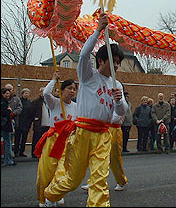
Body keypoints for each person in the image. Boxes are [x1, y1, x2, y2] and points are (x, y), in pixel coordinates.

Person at [43, 12, 127, 207]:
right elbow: (83, 54)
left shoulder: (118, 85)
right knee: (74, 179)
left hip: (103, 136)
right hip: (82, 133)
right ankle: (51, 195)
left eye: (118, 63)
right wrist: (98, 30)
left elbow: (120, 113)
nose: (116, 65)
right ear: (101, 61)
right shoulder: (88, 76)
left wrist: (119, 100)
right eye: (113, 61)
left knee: (99, 180)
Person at [35, 72, 77, 207]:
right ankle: (44, 197)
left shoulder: (76, 107)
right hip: (53, 140)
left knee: (62, 170)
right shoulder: (54, 103)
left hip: (67, 142)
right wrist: (53, 80)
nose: (72, 91)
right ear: (61, 90)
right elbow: (47, 93)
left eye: (74, 89)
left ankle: (55, 194)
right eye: (69, 88)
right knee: (46, 170)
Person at [81, 110, 129, 192]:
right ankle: (94, 182)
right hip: (103, 129)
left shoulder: (119, 101)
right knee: (98, 156)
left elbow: (115, 117)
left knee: (114, 158)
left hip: (114, 130)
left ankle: (121, 181)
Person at [31, 87, 50, 159]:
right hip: (39, 124)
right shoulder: (36, 102)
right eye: (42, 92)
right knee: (37, 139)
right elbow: (31, 112)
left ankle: (44, 152)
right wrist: (35, 118)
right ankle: (34, 153)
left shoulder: (49, 101)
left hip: (47, 124)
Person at [14, 88, 33, 157]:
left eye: (28, 93)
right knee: (17, 137)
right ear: (22, 94)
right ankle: (16, 151)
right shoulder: (19, 101)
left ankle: (22, 151)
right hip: (19, 122)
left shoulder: (29, 102)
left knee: (24, 138)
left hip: (26, 123)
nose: (26, 95)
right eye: (25, 93)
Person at [1, 88, 17, 166]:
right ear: (3, 94)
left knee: (7, 142)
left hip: (5, 124)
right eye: (6, 93)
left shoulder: (5, 102)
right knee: (7, 142)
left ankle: (8, 159)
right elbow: (4, 113)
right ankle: (8, 160)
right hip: (5, 125)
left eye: (8, 93)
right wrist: (9, 111)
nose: (8, 95)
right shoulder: (3, 103)